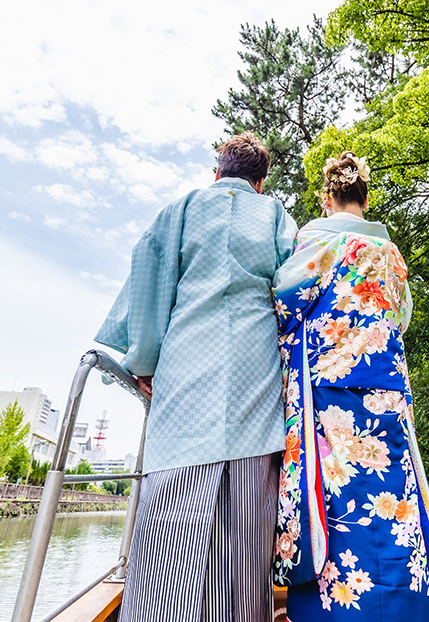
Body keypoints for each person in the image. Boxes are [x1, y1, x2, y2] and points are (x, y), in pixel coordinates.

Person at [94, 132, 299, 622]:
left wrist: (144, 362)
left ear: (217, 172)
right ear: (261, 181)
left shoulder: (180, 210)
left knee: (169, 525)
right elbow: (294, 288)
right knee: (246, 525)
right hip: (254, 377)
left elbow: (150, 284)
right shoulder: (276, 216)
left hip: (186, 374)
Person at [271, 151, 429, 620]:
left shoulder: (316, 240)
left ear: (327, 199)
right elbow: (401, 316)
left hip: (327, 384)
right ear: (365, 201)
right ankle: (405, 607)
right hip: (385, 383)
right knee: (394, 493)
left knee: (334, 491)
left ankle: (334, 609)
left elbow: (285, 301)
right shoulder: (391, 253)